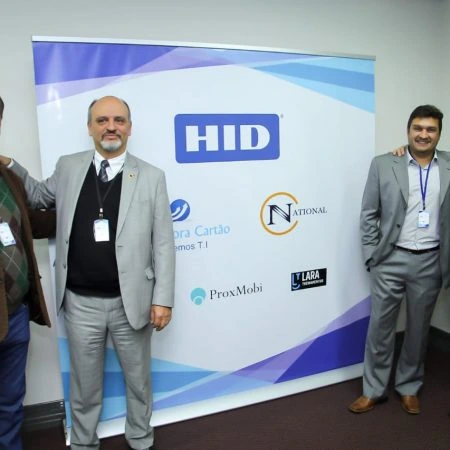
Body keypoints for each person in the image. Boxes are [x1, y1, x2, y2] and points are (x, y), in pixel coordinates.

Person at [0, 96, 175, 450]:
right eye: (102, 120)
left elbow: (164, 244)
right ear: (90, 127)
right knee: (84, 385)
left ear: (129, 127)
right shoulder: (69, 166)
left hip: (132, 302)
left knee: (138, 381)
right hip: (80, 303)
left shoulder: (152, 176)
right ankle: (83, 443)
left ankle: (140, 438)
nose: (111, 127)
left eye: (119, 120)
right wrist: (10, 164)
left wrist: (163, 299)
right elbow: (37, 196)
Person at [348, 105, 450, 415]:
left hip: (430, 261)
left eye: (431, 129)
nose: (423, 134)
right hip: (390, 259)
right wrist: (371, 256)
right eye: (418, 128)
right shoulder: (384, 164)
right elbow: (369, 213)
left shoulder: (448, 165)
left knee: (418, 330)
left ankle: (408, 386)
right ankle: (373, 390)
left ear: (439, 134)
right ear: (408, 130)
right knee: (380, 329)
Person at [0, 95, 56, 450]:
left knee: (10, 399)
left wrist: (85, 210)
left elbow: (34, 222)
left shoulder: (7, 178)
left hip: (15, 314)